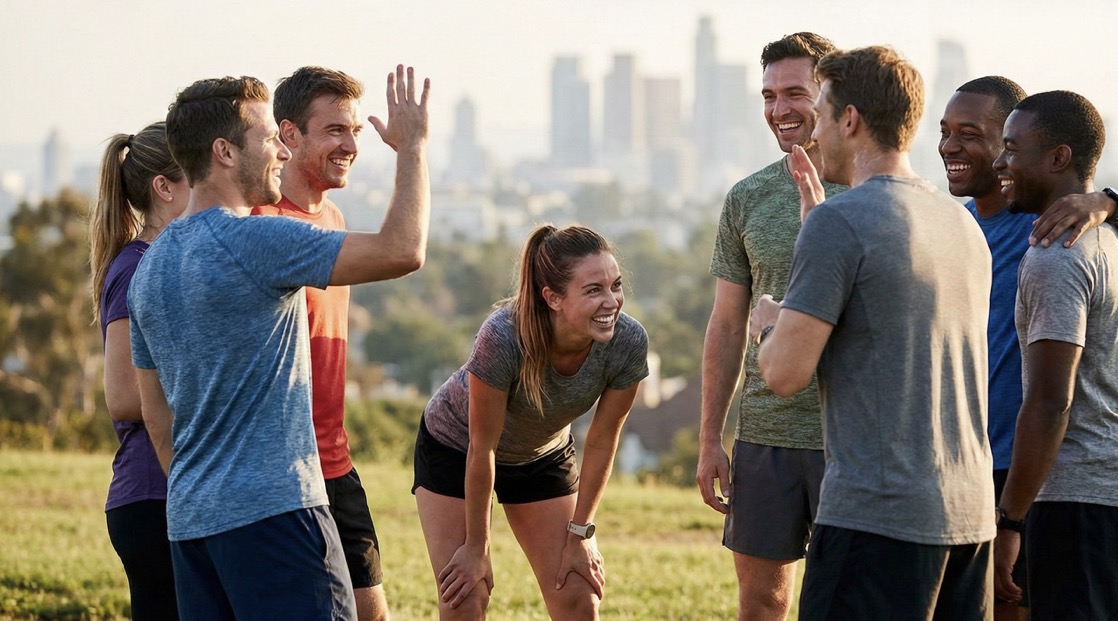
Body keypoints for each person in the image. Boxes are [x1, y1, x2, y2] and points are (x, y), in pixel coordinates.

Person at [129, 65, 431, 619]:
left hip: (193, 526)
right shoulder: (258, 240)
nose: (283, 154)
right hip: (279, 515)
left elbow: (158, 419)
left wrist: (211, 496)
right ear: (224, 151)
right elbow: (402, 249)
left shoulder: (149, 269)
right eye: (270, 139)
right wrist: (411, 149)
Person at [755, 46, 995, 620]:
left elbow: (784, 374)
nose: (813, 130)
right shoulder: (962, 223)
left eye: (821, 111)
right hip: (969, 519)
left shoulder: (843, 220)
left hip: (878, 518)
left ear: (851, 119)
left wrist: (769, 323)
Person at [937, 75, 1118, 620]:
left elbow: (1051, 400)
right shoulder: (1115, 240)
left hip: (1063, 483)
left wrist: (1011, 521)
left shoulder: (1057, 245)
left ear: (1057, 157)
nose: (1001, 161)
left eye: (1006, 145)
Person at [412, 224, 649, 621]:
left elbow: (603, 441)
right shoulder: (503, 337)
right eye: (594, 290)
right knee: (466, 597)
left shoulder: (628, 342)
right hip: (457, 447)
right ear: (553, 297)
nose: (612, 302)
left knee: (578, 594)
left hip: (541, 454)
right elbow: (481, 446)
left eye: (616, 286)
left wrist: (580, 534)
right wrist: (476, 547)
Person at [695, 32, 845, 621]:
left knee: (845, 603)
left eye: (794, 93)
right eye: (767, 96)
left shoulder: (873, 190)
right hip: (765, 438)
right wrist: (711, 439)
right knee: (761, 603)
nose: (779, 110)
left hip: (849, 440)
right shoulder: (748, 197)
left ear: (830, 96)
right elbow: (727, 326)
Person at [250, 66, 389, 621]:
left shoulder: (333, 216)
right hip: (281, 472)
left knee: (372, 611)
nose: (351, 145)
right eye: (335, 130)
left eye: (354, 131)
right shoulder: (259, 223)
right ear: (289, 135)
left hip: (335, 458)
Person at [89, 121, 188, 620]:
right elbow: (125, 396)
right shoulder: (136, 267)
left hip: (175, 495)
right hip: (153, 496)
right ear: (164, 188)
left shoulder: (166, 261)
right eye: (198, 176)